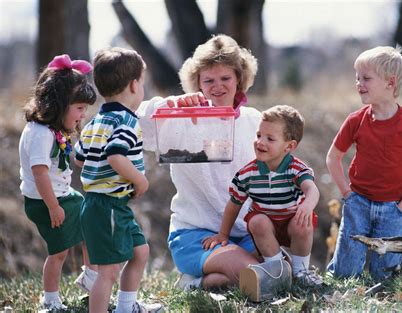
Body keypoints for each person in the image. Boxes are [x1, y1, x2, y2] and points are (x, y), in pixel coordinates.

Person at [137, 34, 261, 290]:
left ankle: (196, 284)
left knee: (278, 267)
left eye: (225, 78)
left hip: (246, 233)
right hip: (195, 235)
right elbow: (133, 124)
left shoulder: (255, 120)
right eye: (209, 80)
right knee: (255, 273)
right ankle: (223, 271)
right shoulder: (180, 117)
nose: (218, 86)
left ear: (239, 78)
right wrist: (169, 105)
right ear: (197, 83)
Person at [326, 46, 402, 281]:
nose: (359, 83)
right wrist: (347, 193)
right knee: (344, 275)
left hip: (393, 209)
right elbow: (333, 157)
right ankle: (339, 268)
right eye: (357, 78)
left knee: (385, 277)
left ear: (390, 83)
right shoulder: (356, 120)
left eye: (366, 78)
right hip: (358, 204)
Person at [74, 47, 161, 313]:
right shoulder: (126, 121)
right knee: (108, 271)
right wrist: (140, 180)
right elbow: (115, 155)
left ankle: (126, 306)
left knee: (140, 251)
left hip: (107, 205)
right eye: (143, 82)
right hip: (107, 206)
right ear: (135, 85)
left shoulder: (96, 121)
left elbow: (79, 158)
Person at [202, 105, 323, 286]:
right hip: (265, 230)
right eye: (259, 135)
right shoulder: (247, 174)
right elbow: (234, 204)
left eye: (270, 139)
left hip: (291, 223)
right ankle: (277, 270)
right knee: (257, 221)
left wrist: (307, 205)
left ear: (289, 146)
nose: (260, 142)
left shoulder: (295, 169)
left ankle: (301, 272)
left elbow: (312, 189)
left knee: (303, 222)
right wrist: (222, 234)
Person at [19, 54, 98, 311]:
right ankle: (50, 299)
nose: (82, 114)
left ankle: (90, 277)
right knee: (59, 252)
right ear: (59, 103)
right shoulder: (39, 134)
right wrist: (54, 207)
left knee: (89, 220)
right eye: (79, 108)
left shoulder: (55, 129)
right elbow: (41, 174)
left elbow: (66, 158)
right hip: (44, 201)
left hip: (61, 194)